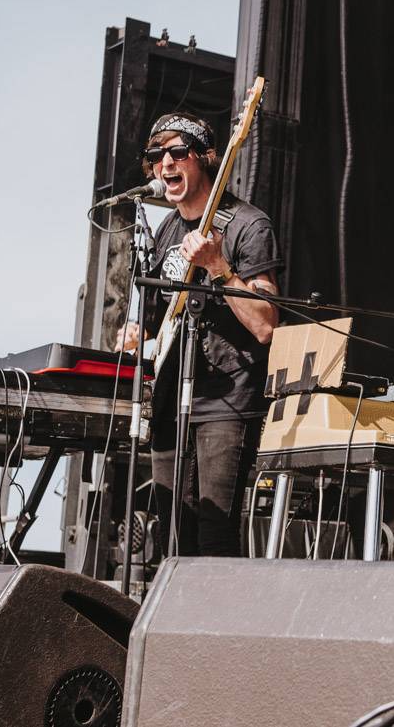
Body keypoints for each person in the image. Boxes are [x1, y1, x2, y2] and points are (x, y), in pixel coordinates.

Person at [117, 111, 281, 557]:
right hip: (171, 396)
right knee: (172, 531)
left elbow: (266, 324)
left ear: (204, 159)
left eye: (176, 152)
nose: (164, 164)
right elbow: (160, 317)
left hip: (226, 399)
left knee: (215, 533)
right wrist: (138, 331)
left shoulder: (247, 224)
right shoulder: (168, 229)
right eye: (155, 156)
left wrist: (219, 268)